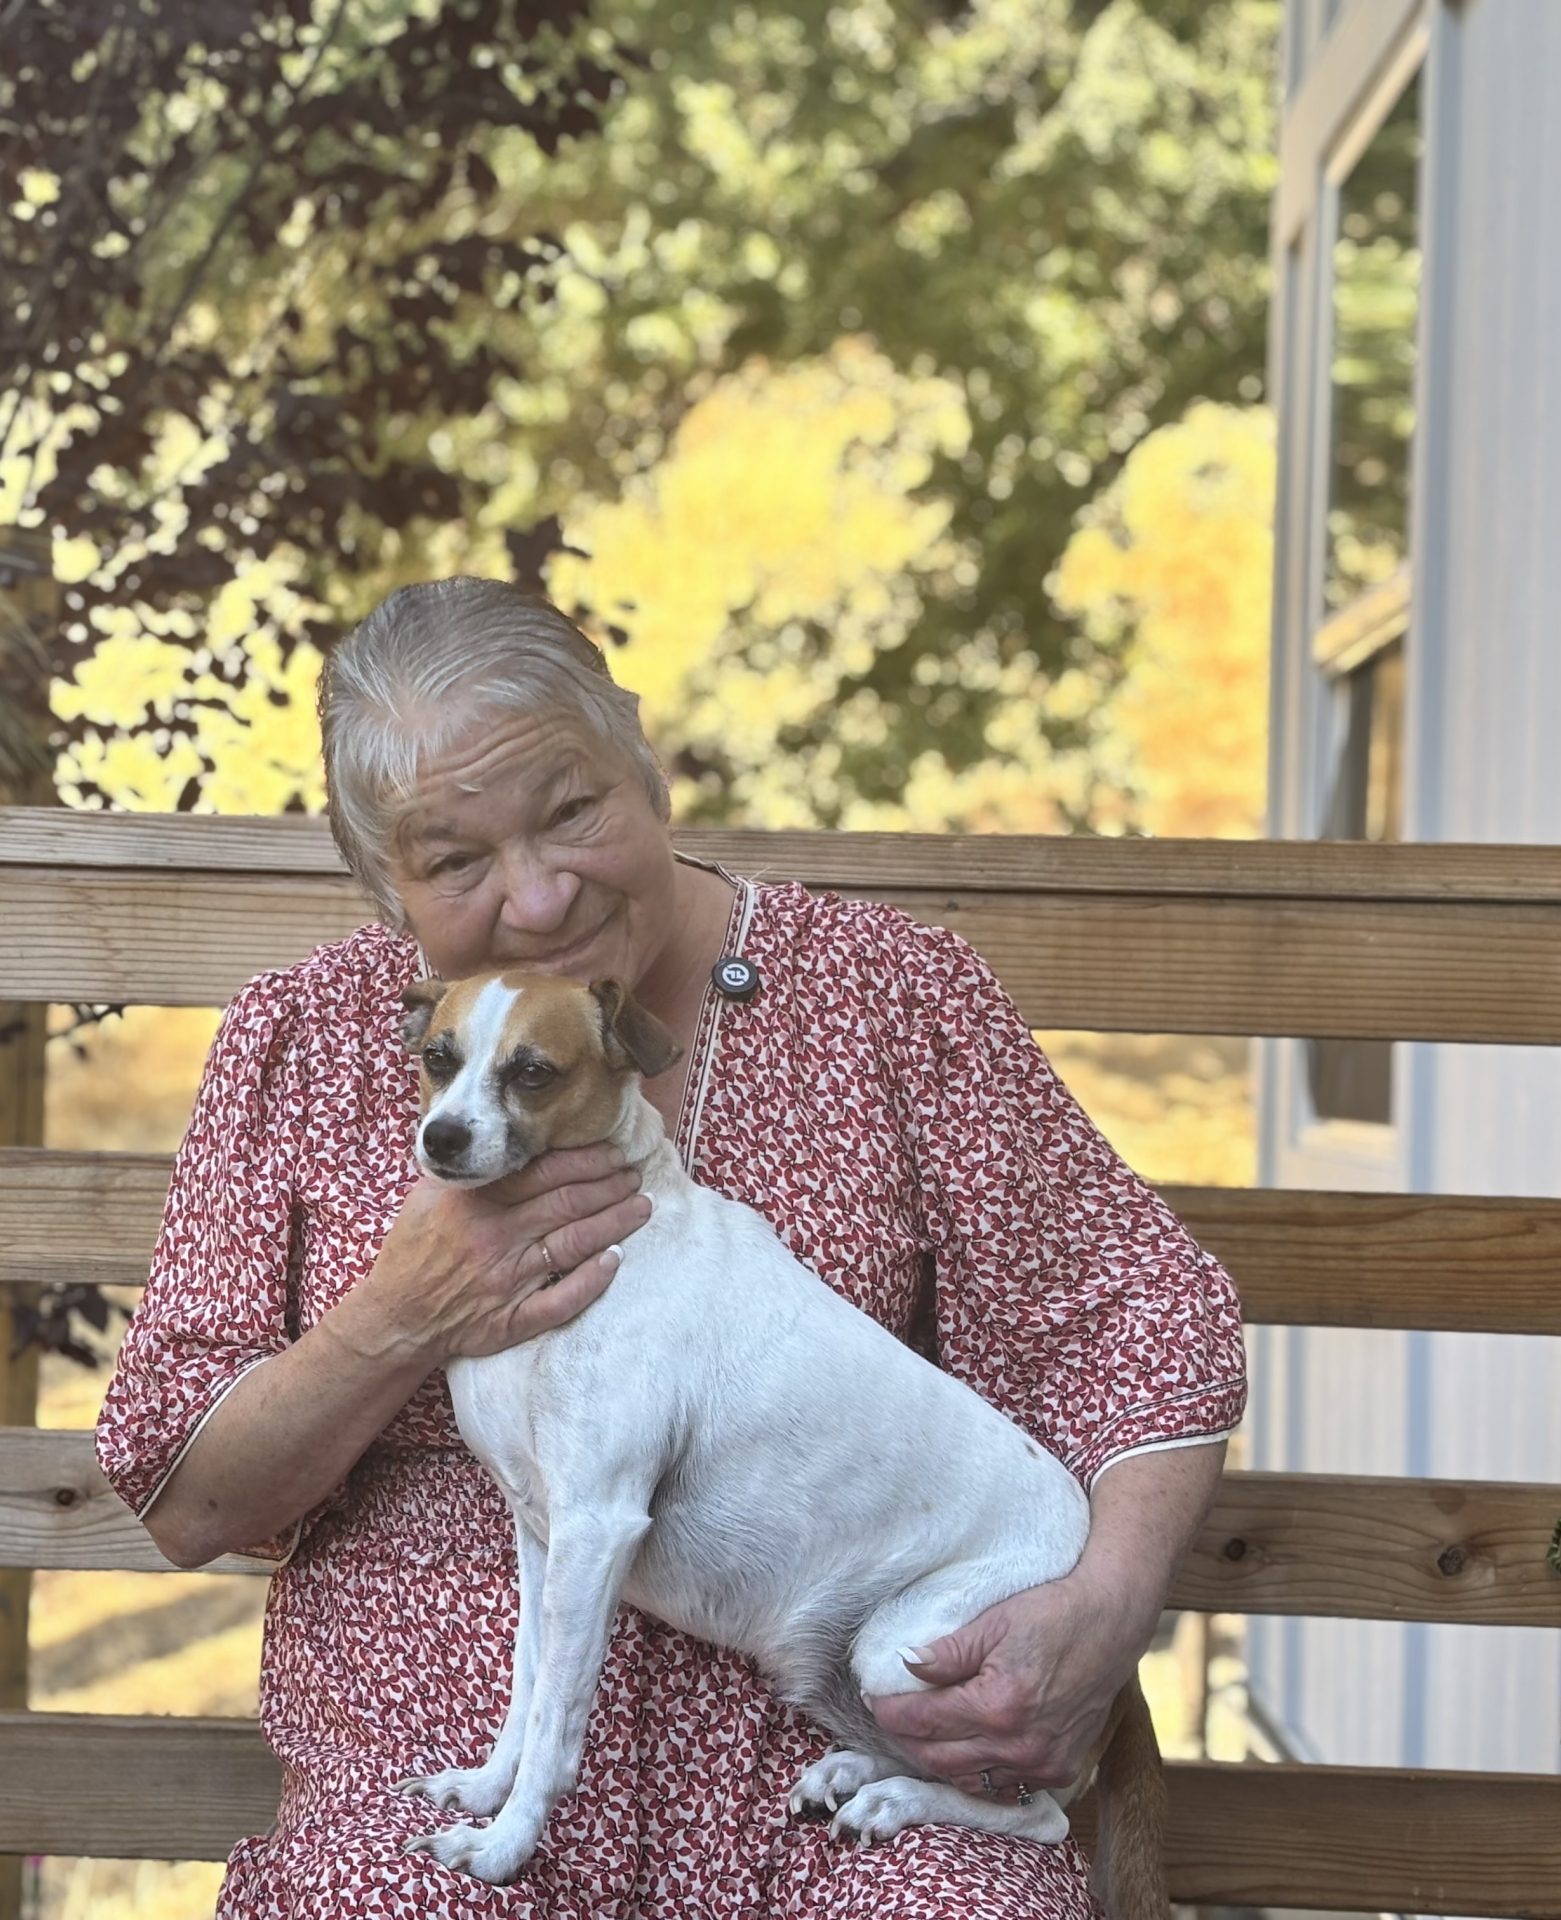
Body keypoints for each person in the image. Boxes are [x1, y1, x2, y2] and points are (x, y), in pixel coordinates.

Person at [95, 577, 1245, 1919]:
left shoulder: (885, 999)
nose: (539, 897)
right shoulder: (308, 1043)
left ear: (640, 760)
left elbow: (1138, 1315)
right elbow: (188, 1494)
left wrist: (1108, 1606)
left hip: (844, 1761)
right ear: (382, 885)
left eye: (571, 810)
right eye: (456, 861)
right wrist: (397, 1318)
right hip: (440, 1790)